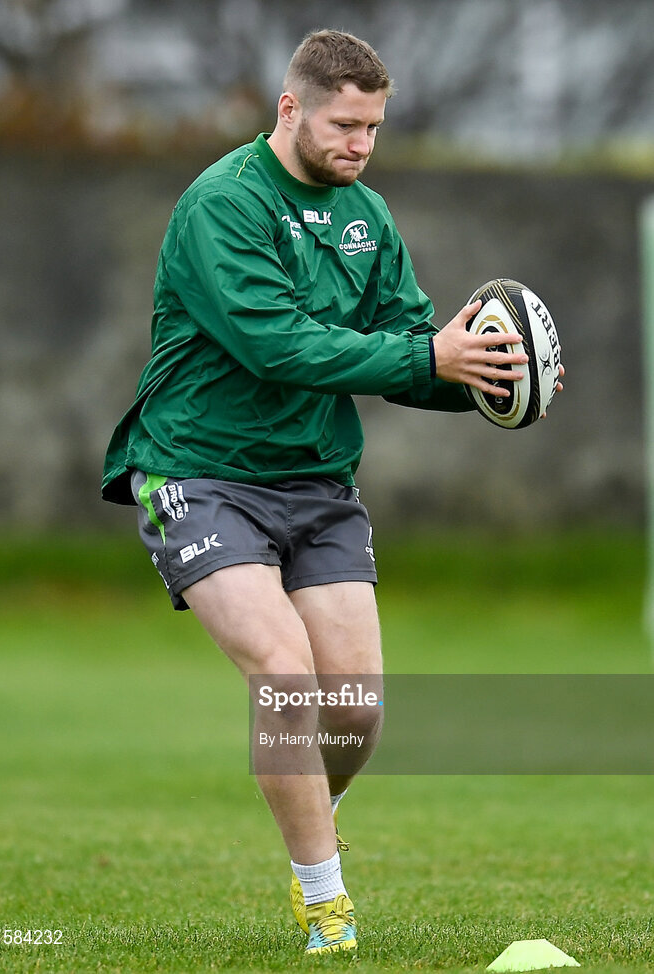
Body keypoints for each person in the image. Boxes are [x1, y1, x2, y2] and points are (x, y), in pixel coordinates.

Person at [102, 29, 562, 956]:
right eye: (343, 124)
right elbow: (277, 345)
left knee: (354, 709)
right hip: (195, 470)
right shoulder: (223, 206)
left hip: (314, 482)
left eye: (373, 128)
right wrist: (425, 352)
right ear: (290, 109)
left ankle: (310, 805)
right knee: (284, 674)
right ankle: (326, 909)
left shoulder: (368, 217)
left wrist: (478, 374)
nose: (359, 144)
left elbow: (404, 345)